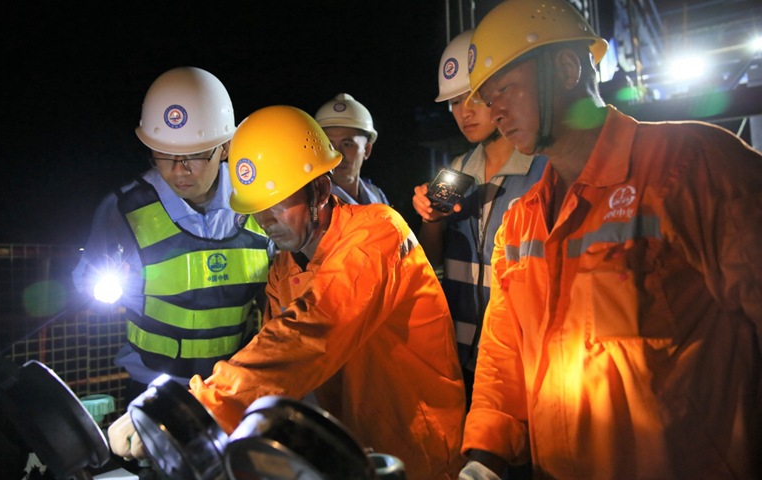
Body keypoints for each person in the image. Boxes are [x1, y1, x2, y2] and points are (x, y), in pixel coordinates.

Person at [458, 1, 762, 479]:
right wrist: (484, 456)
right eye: (487, 96)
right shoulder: (521, 223)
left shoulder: (694, 167)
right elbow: (504, 357)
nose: (493, 110)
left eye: (506, 89)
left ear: (566, 67)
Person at [109, 105, 467, 480]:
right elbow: (273, 362)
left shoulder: (376, 234)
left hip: (419, 452)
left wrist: (196, 409)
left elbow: (309, 333)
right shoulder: (285, 266)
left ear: (322, 189)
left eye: (278, 202)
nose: (266, 220)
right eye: (258, 208)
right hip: (354, 452)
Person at [72, 67, 274, 400]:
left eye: (195, 154)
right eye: (164, 154)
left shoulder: (258, 201)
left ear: (226, 147)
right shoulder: (121, 210)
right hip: (152, 389)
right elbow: (84, 282)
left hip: (236, 388)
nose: (179, 169)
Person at [413, 30, 546, 407]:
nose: (463, 112)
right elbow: (433, 263)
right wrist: (432, 220)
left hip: (525, 359)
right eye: (453, 103)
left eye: (472, 97)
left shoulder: (544, 171)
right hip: (464, 357)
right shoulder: (457, 172)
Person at [315, 93, 390, 205]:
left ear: (367, 150)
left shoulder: (376, 195)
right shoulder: (313, 200)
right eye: (329, 144)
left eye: (347, 144)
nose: (337, 155)